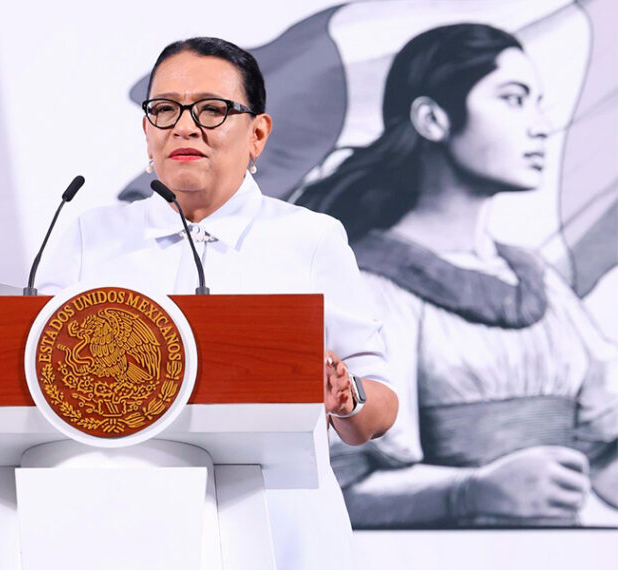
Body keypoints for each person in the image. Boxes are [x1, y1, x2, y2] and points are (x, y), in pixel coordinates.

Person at [35, 36, 398, 569]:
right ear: (147, 130)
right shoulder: (93, 236)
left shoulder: (310, 238)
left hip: (280, 530)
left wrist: (347, 397)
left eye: (212, 109)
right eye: (165, 110)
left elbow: (380, 407)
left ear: (257, 134)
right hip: (125, 528)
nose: (185, 126)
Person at [294, 23, 618, 527]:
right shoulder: (367, 282)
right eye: (513, 99)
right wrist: (471, 491)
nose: (540, 126)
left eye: (537, 102)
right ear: (432, 118)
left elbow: (603, 449)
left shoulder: (536, 278)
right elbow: (336, 480)